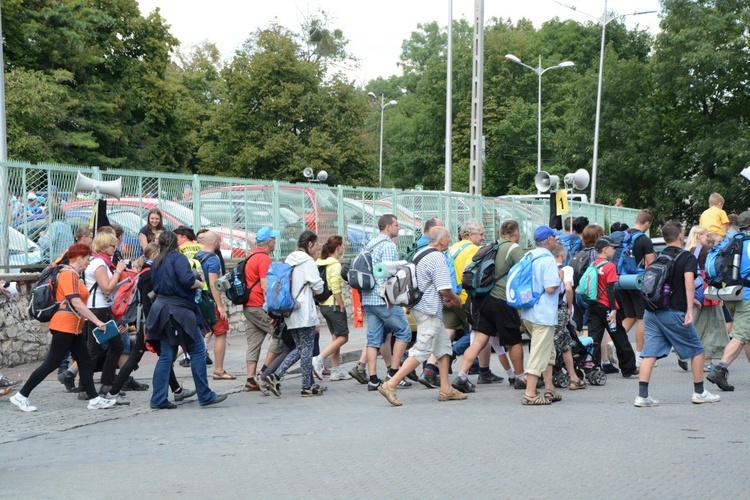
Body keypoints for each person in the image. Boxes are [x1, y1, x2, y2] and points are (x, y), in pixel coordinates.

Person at [9, 244, 116, 412]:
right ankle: (21, 395)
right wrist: (96, 321)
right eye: (87, 260)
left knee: (85, 361)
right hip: (64, 326)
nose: (88, 263)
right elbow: (76, 302)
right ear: (79, 259)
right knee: (51, 363)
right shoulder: (68, 274)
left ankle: (94, 399)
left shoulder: (72, 274)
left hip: (72, 327)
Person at [635, 221, 721, 406]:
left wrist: (691, 301)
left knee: (649, 352)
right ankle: (699, 392)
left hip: (651, 312)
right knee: (697, 349)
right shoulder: (686, 257)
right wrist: (689, 309)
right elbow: (689, 283)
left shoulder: (658, 257)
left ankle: (642, 396)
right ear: (681, 236)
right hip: (673, 312)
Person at [378, 227, 467, 406]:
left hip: (421, 307)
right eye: (448, 238)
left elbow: (422, 282)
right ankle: (390, 384)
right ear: (441, 240)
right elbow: (443, 287)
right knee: (422, 351)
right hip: (429, 311)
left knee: (443, 348)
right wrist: (454, 299)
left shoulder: (421, 253)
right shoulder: (437, 257)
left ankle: (446, 389)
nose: (450, 241)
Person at [146, 231, 226, 409]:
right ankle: (205, 395)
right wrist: (198, 281)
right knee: (197, 349)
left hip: (161, 309)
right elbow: (186, 281)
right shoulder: (178, 258)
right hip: (178, 311)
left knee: (166, 356)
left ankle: (158, 398)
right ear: (175, 242)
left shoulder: (157, 261)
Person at [264, 230, 325, 397]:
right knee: (305, 349)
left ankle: (303, 383)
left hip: (290, 310)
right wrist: (316, 288)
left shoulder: (290, 259)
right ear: (310, 244)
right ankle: (299, 384)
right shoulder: (307, 262)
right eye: (316, 245)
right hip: (304, 310)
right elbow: (318, 286)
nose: (318, 249)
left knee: (300, 348)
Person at [360, 214, 413, 391]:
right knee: (404, 331)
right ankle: (394, 372)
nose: (398, 228)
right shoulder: (388, 246)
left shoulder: (370, 243)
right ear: (388, 227)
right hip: (384, 298)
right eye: (396, 225)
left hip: (368, 297)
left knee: (373, 338)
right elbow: (390, 276)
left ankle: (373, 378)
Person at [516, 225, 563, 405]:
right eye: (555, 238)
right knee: (539, 352)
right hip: (543, 313)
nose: (556, 241)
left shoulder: (529, 255)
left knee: (547, 350)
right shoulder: (548, 259)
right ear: (549, 240)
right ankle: (530, 393)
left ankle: (549, 388)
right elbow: (550, 287)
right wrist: (559, 277)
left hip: (528, 310)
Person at [707, 211, 750, 392]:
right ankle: (720, 368)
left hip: (731, 294)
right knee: (740, 336)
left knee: (747, 337)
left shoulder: (732, 242)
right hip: (747, 297)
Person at [83, 231, 127, 396]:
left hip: (100, 307)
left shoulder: (97, 261)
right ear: (103, 245)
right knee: (95, 348)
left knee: (115, 345)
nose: (114, 248)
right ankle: (88, 387)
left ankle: (106, 383)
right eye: (111, 245)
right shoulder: (99, 264)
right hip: (98, 309)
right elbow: (107, 288)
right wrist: (118, 272)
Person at [587, 236, 638, 379]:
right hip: (607, 306)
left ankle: (591, 366)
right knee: (619, 336)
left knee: (594, 337)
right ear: (605, 249)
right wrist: (614, 310)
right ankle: (628, 367)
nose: (615, 250)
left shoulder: (593, 265)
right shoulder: (609, 266)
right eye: (613, 247)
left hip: (593, 305)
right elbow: (610, 289)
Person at [243, 227, 286, 392]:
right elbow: (265, 286)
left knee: (254, 342)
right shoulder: (263, 259)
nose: (275, 242)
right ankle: (264, 373)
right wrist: (274, 309)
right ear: (269, 242)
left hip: (249, 306)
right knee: (280, 335)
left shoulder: (251, 255)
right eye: (273, 239)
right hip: (258, 305)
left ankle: (250, 379)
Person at [684, 225, 728, 371]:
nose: (708, 238)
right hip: (707, 291)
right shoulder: (705, 250)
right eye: (705, 235)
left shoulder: (688, 251)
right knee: (711, 326)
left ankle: (685, 355)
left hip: (694, 292)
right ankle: (706, 361)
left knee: (695, 324)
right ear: (698, 236)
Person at [617, 209, 655, 370]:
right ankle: (639, 356)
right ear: (647, 223)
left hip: (621, 281)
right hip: (637, 282)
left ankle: (613, 343)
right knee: (642, 318)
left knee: (630, 315)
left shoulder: (621, 236)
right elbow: (652, 265)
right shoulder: (644, 240)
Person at [196, 230, 235, 381]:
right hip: (210, 301)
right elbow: (213, 283)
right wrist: (220, 305)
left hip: (199, 299)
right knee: (221, 332)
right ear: (215, 243)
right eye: (218, 241)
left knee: (195, 334)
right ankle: (218, 370)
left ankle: (170, 360)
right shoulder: (213, 259)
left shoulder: (196, 256)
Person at [312, 235, 352, 381]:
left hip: (323, 305)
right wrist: (341, 304)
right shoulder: (334, 264)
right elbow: (335, 287)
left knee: (336, 337)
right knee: (343, 337)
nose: (344, 247)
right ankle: (319, 359)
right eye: (343, 245)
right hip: (334, 306)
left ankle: (335, 371)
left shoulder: (320, 262)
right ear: (338, 247)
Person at [551, 242, 587, 389]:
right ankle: (573, 378)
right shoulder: (566, 269)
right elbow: (568, 288)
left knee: (549, 342)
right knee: (566, 344)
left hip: (546, 310)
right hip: (560, 309)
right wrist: (570, 306)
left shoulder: (547, 268)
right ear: (562, 254)